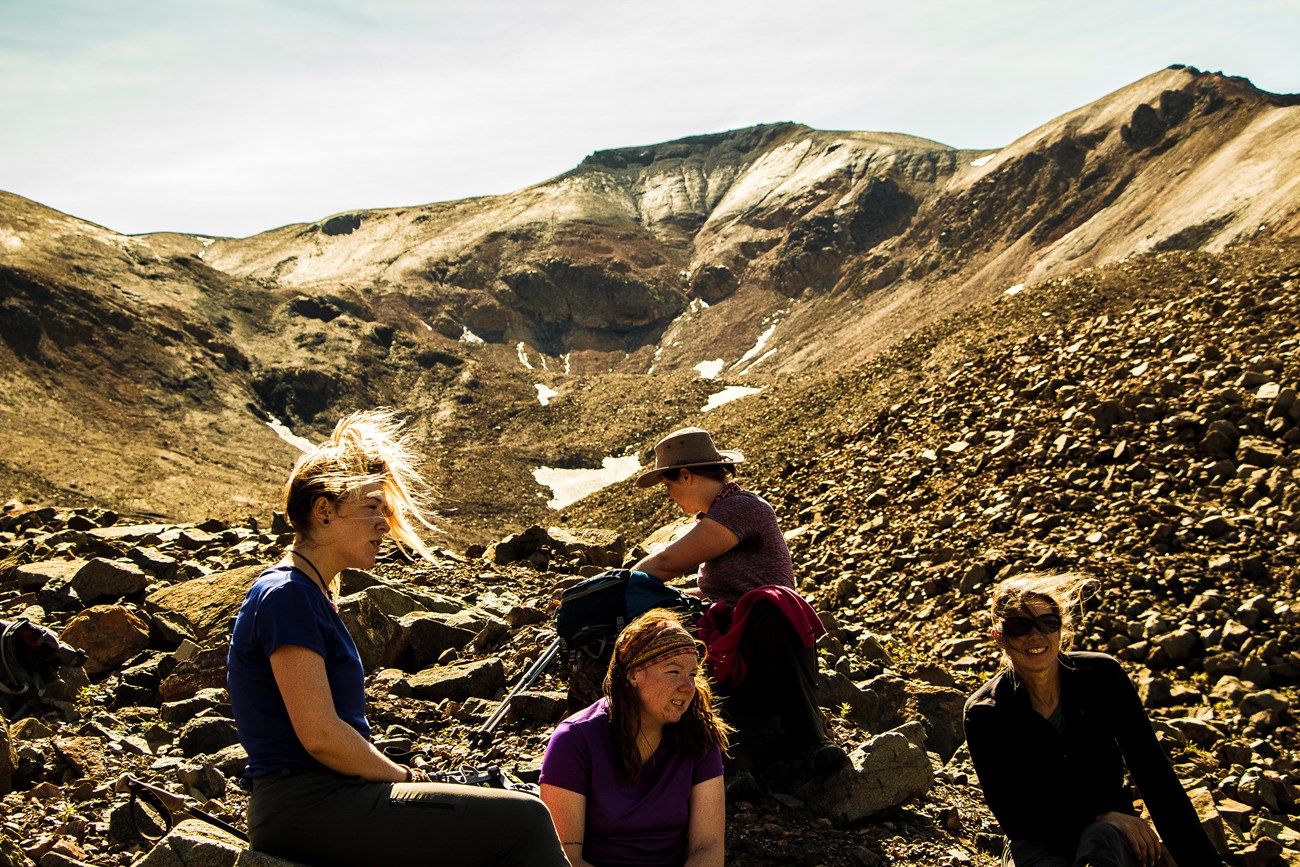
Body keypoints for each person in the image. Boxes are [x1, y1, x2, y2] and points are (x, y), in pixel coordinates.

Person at [226, 409, 567, 867]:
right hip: (307, 806)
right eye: (372, 509)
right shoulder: (287, 596)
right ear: (323, 511)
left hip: (323, 800)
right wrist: (401, 775)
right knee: (523, 818)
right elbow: (321, 736)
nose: (384, 526)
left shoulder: (307, 594)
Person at [630, 427, 845, 800]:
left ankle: (811, 741)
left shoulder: (741, 508)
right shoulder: (718, 515)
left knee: (767, 605)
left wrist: (620, 582)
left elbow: (667, 562)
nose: (668, 494)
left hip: (769, 641)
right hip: (738, 641)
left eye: (669, 483)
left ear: (687, 475)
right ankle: (733, 766)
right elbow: (716, 590)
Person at [963, 571, 1226, 867]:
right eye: (1019, 626)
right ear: (999, 636)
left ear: (1061, 628)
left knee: (1101, 839)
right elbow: (1012, 811)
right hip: (1039, 839)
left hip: (1112, 837)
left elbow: (1154, 774)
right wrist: (1097, 813)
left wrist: (1203, 863)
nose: (1035, 636)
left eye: (1048, 623)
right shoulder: (987, 712)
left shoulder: (1102, 677)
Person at [539, 609, 728, 867]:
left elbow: (708, 848)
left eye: (693, 675)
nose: (687, 686)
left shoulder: (699, 739)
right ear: (633, 674)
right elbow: (565, 858)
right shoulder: (574, 740)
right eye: (673, 672)